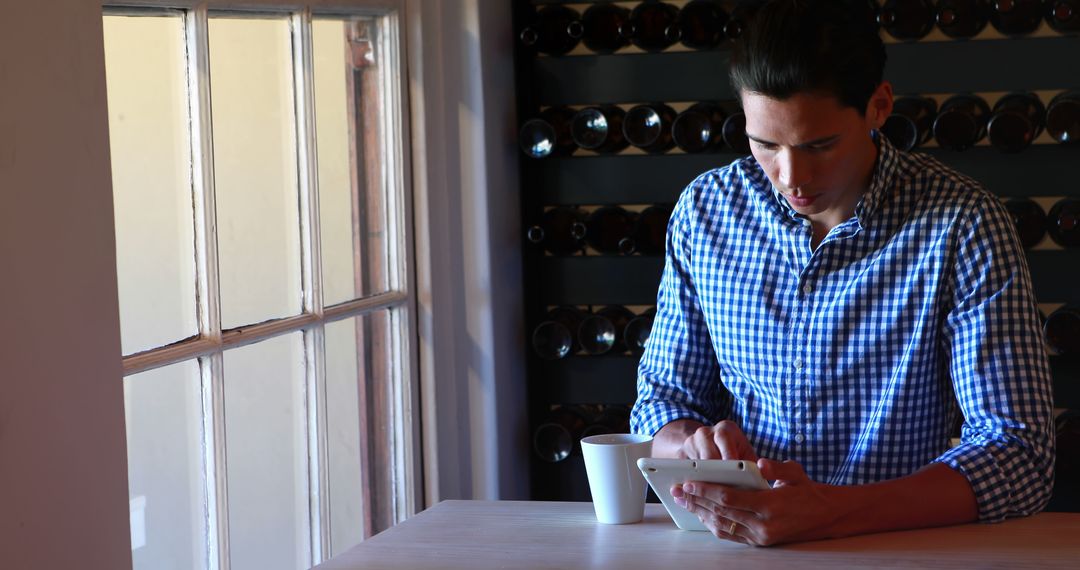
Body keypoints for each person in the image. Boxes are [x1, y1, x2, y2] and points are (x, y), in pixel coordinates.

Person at [630, 0, 1055, 547]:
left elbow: (1017, 455)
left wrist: (832, 511)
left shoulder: (964, 223)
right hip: (732, 549)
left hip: (900, 552)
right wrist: (687, 444)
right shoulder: (705, 211)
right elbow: (662, 401)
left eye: (819, 145)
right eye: (765, 144)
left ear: (878, 106)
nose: (791, 176)